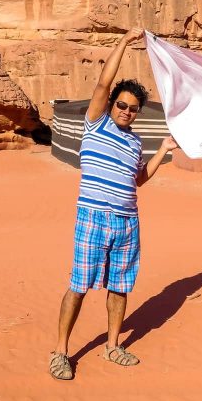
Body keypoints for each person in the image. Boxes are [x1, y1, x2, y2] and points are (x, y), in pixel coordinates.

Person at [49, 27, 179, 380]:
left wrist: (163, 152)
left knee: (120, 286)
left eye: (132, 108)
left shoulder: (135, 144)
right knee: (79, 285)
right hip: (93, 217)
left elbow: (138, 180)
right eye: (121, 105)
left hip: (127, 221)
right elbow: (103, 86)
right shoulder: (96, 123)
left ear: (138, 113)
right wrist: (122, 43)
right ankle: (60, 352)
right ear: (112, 105)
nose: (125, 111)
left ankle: (112, 346)